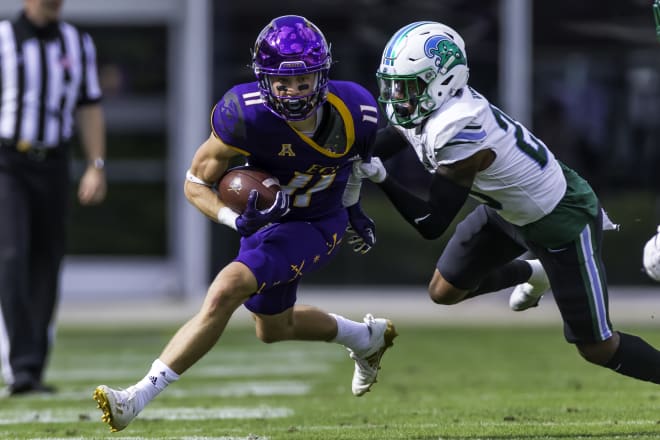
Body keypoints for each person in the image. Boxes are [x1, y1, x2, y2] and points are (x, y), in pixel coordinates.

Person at [93, 15, 397, 432]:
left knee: (225, 289)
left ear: (322, 76)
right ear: (263, 80)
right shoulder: (243, 114)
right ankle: (366, 338)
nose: (293, 93)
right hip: (267, 225)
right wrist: (236, 220)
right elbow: (195, 182)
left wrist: (353, 209)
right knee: (273, 328)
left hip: (318, 224)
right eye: (282, 83)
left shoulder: (356, 110)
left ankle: (137, 397)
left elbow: (357, 166)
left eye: (304, 81)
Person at [353, 21, 660, 385]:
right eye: (394, 86)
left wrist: (380, 177)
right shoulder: (434, 106)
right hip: (506, 211)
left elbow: (431, 223)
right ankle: (535, 272)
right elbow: (393, 136)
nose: (396, 97)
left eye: (407, 87)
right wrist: (344, 158)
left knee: (597, 347)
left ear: (444, 81)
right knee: (444, 291)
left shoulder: (458, 127)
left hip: (560, 218)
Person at [0, 0, 106, 396]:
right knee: (12, 255)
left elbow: (90, 105)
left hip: (56, 161)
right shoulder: (3, 38)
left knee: (48, 258)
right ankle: (20, 364)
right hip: (9, 159)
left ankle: (32, 367)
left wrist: (96, 164)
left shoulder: (78, 42)